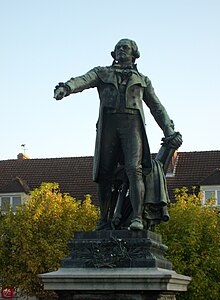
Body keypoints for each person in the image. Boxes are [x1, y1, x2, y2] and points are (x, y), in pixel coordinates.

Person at [54, 38, 181, 231]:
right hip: (109, 125)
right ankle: (103, 219)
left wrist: (169, 131)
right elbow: (83, 80)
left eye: (126, 48)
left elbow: (157, 107)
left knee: (134, 169)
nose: (121, 50)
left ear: (134, 54)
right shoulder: (102, 72)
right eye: (118, 48)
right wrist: (67, 87)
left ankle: (137, 218)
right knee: (104, 173)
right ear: (113, 54)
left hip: (132, 125)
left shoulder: (143, 80)